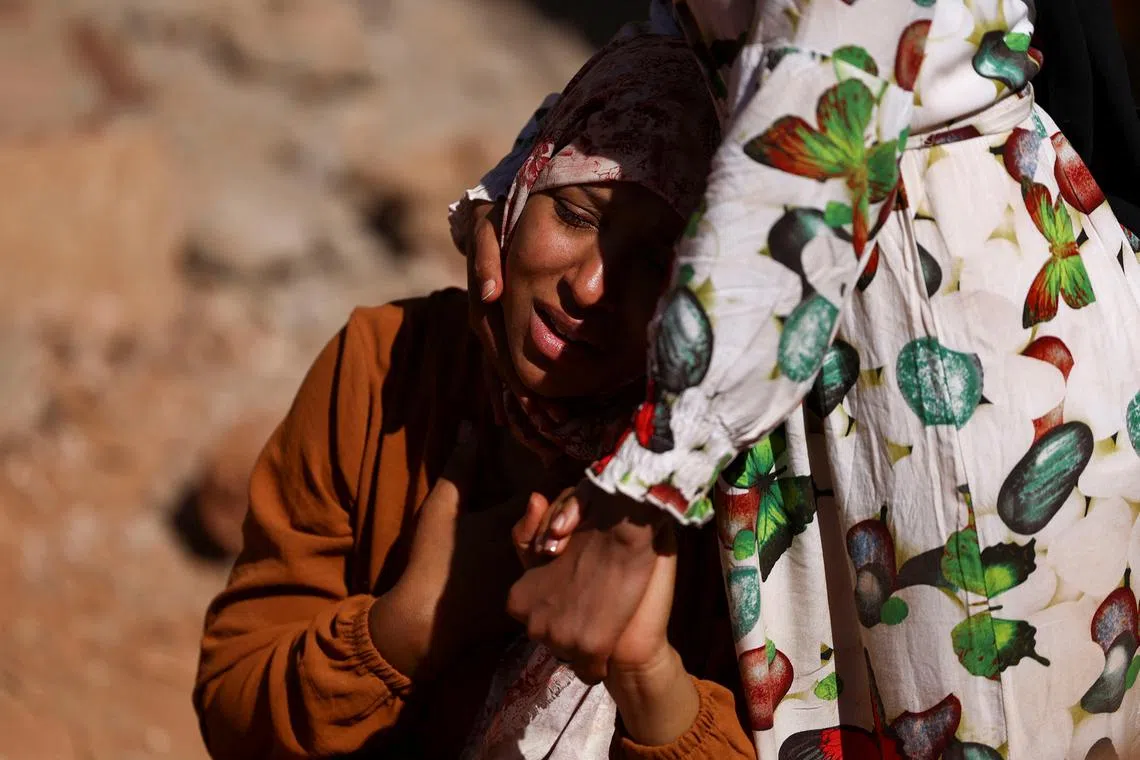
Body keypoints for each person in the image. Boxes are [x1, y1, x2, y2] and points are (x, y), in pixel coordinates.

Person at [455, 0, 1140, 756]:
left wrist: (645, 490)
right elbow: (701, 28)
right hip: (798, 332)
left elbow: (821, 120)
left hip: (949, 346)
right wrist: (528, 172)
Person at [193, 34, 758, 760]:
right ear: (520, 190)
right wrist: (414, 620)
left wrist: (649, 678)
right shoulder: (388, 366)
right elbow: (234, 707)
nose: (590, 288)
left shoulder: (729, 482)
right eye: (577, 215)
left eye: (654, 262)